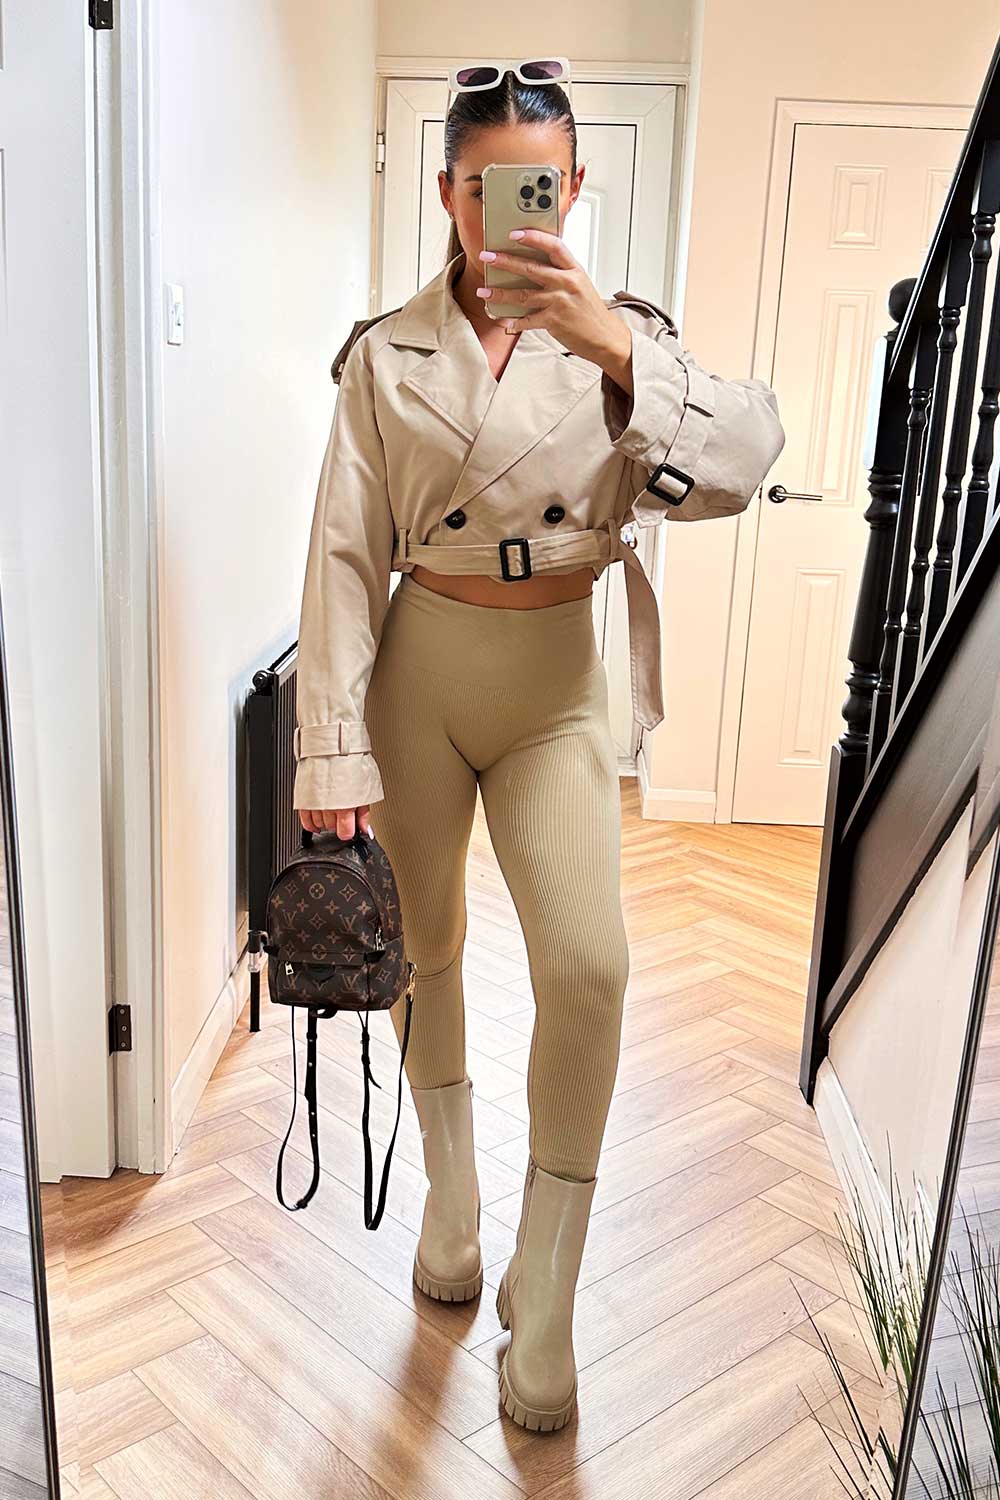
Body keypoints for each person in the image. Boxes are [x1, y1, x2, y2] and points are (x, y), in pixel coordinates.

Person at [292, 61, 785, 1434]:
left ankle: (549, 1295)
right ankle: (451, 1205)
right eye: (485, 186)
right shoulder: (384, 354)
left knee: (590, 966)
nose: (512, 211)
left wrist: (616, 349)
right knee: (427, 948)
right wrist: (330, 756)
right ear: (449, 193)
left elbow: (746, 459)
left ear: (572, 190)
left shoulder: (628, 340)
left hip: (562, 678)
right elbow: (342, 557)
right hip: (422, 673)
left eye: (541, 186)